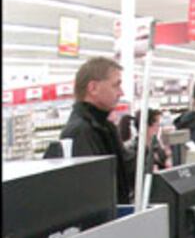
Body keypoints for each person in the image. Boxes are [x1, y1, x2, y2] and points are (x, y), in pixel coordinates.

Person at [43, 56, 132, 203]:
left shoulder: (105, 127)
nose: (121, 92)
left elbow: (124, 171)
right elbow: (89, 193)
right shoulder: (79, 132)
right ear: (93, 88)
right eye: (115, 85)